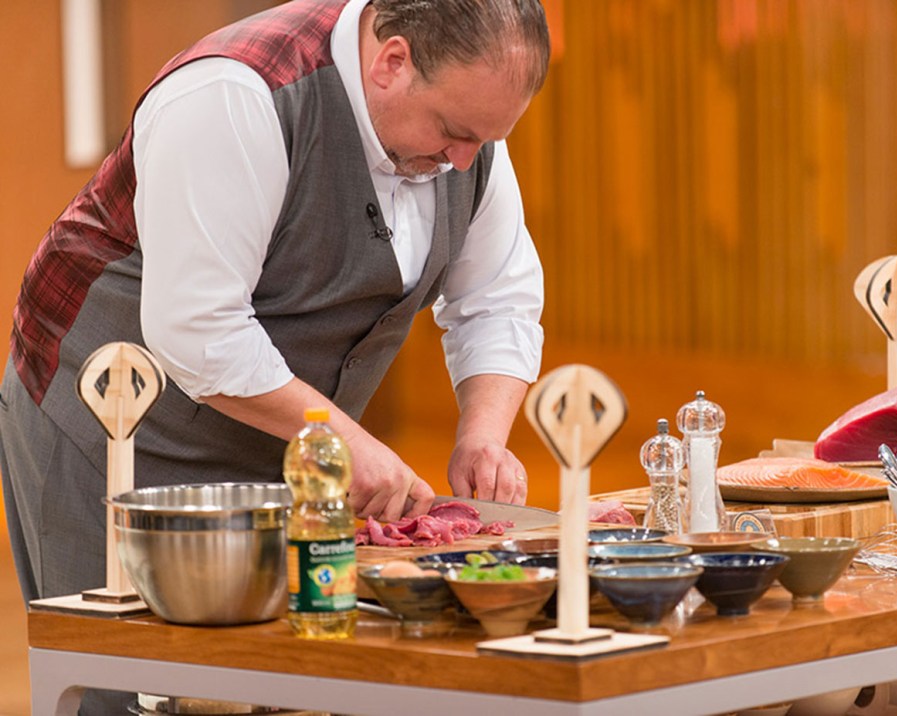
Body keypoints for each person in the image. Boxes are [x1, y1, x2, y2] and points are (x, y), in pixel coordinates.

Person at [1, 0, 548, 607]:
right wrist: (347, 442)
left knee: (274, 677)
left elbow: (497, 298)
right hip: (120, 430)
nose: (466, 160)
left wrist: (483, 436)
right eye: (454, 132)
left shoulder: (467, 131)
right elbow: (200, 329)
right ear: (393, 61)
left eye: (487, 138)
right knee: (125, 681)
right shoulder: (233, 95)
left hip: (287, 442)